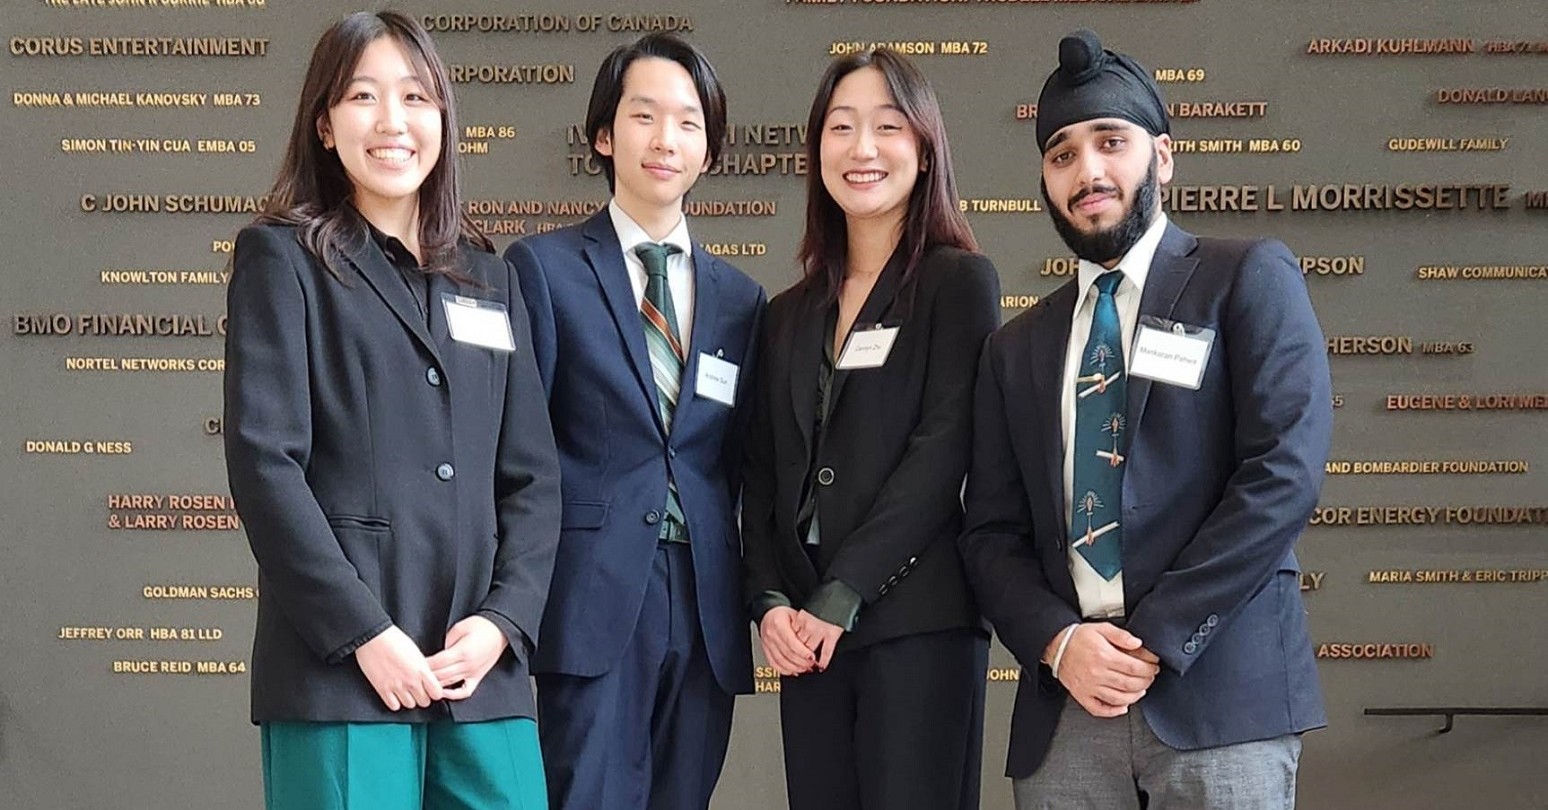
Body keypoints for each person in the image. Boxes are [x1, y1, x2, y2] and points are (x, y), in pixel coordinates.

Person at [959, 29, 1331, 810]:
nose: (1087, 171)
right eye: (1062, 154)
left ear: (1161, 157)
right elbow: (990, 533)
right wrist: (1061, 642)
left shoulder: (1244, 278)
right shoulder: (1013, 348)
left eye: (1110, 142)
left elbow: (1282, 473)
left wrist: (1155, 635)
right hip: (1067, 707)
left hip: (1218, 697)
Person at [222, 11, 560, 809]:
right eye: (363, 97)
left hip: (477, 669)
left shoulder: (489, 277)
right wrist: (362, 633)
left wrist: (503, 621)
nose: (391, 122)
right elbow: (267, 465)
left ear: (442, 116)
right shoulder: (283, 259)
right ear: (325, 125)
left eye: (414, 97)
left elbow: (532, 477)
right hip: (341, 669)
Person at [503, 33, 765, 810]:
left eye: (688, 122)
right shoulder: (544, 269)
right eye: (644, 116)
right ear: (603, 135)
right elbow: (522, 450)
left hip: (705, 600)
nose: (665, 139)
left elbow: (740, 460)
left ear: (709, 149)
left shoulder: (741, 299)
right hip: (592, 595)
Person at [742, 48, 1001, 810]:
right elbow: (762, 473)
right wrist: (768, 600)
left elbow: (942, 451)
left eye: (888, 127)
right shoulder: (786, 314)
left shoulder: (958, 282)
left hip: (917, 627)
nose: (862, 148)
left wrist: (845, 592)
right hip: (806, 638)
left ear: (924, 149)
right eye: (841, 127)